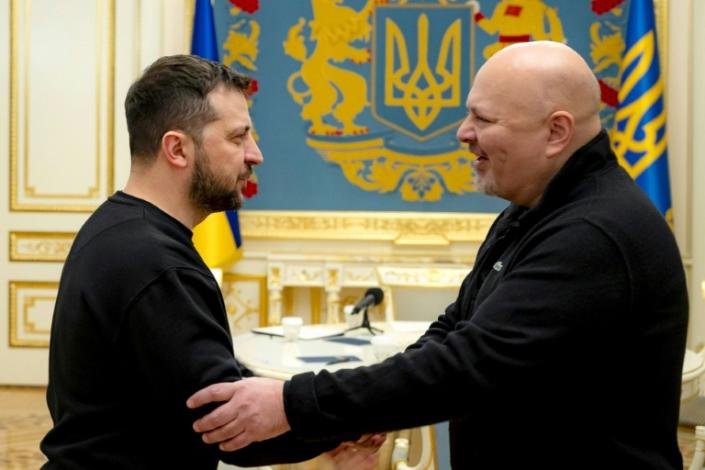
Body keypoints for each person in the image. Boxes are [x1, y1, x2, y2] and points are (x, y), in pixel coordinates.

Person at [186, 41, 689, 469]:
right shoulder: (535, 209)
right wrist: (364, 410)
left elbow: (469, 366)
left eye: (482, 119)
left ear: (556, 132)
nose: (462, 133)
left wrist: (297, 403)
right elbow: (454, 331)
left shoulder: (593, 232)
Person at [40, 54, 381, 469]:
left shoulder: (117, 227)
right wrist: (348, 420)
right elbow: (229, 427)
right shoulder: (155, 262)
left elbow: (210, 384)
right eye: (238, 138)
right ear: (178, 149)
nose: (255, 155)